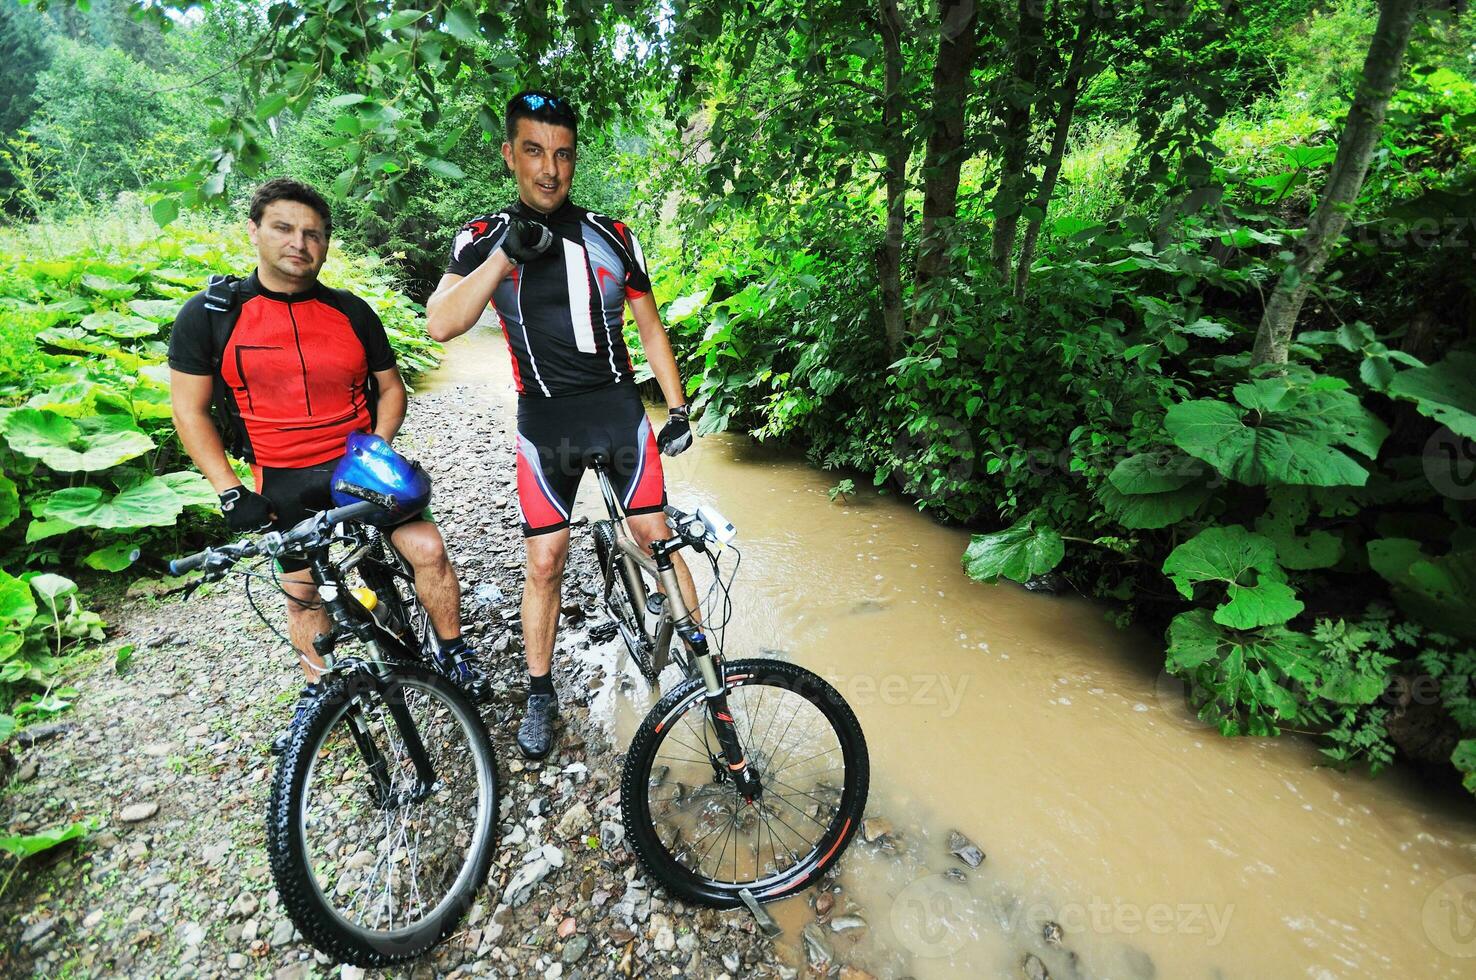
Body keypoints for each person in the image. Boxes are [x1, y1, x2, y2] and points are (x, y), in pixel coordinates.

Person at [168, 178, 487, 752]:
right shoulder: (212, 316)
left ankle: (451, 649)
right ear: (255, 231)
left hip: (357, 465)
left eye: (313, 234)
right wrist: (230, 491)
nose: (300, 243)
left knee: (429, 551)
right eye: (285, 228)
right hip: (279, 475)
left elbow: (391, 390)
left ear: (326, 244)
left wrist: (377, 447)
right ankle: (325, 695)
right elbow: (189, 411)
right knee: (302, 593)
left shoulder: (351, 312)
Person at [425, 91, 697, 760]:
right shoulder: (480, 236)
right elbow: (441, 323)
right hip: (545, 422)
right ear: (510, 153)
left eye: (563, 153)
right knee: (546, 559)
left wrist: (679, 406)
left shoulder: (612, 235)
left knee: (657, 536)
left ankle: (707, 667)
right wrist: (503, 259)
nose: (549, 169)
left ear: (574, 159)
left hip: (615, 409)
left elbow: (651, 326)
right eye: (534, 151)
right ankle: (540, 690)